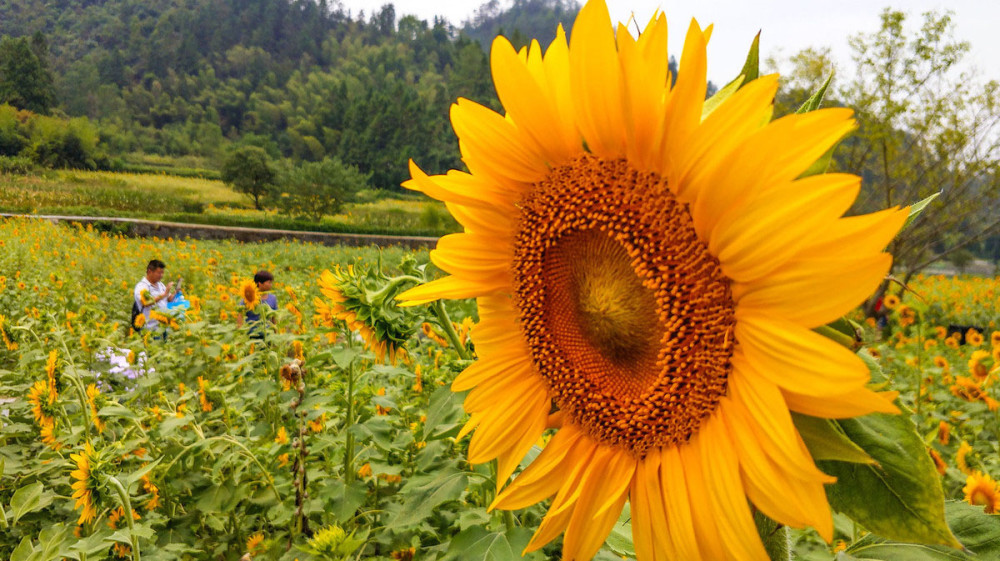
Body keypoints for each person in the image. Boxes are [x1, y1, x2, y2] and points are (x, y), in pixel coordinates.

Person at [133, 259, 177, 332]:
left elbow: (169, 299)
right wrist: (164, 294)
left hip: (164, 328)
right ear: (150, 272)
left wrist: (175, 292)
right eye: (159, 273)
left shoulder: (160, 284)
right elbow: (145, 302)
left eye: (162, 273)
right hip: (151, 330)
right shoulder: (142, 286)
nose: (161, 275)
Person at [241, 270, 278, 339]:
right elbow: (240, 314)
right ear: (260, 283)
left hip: (268, 335)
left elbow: (274, 318)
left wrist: (275, 334)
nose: (271, 285)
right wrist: (240, 331)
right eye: (269, 282)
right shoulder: (248, 296)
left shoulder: (273, 298)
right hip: (251, 335)